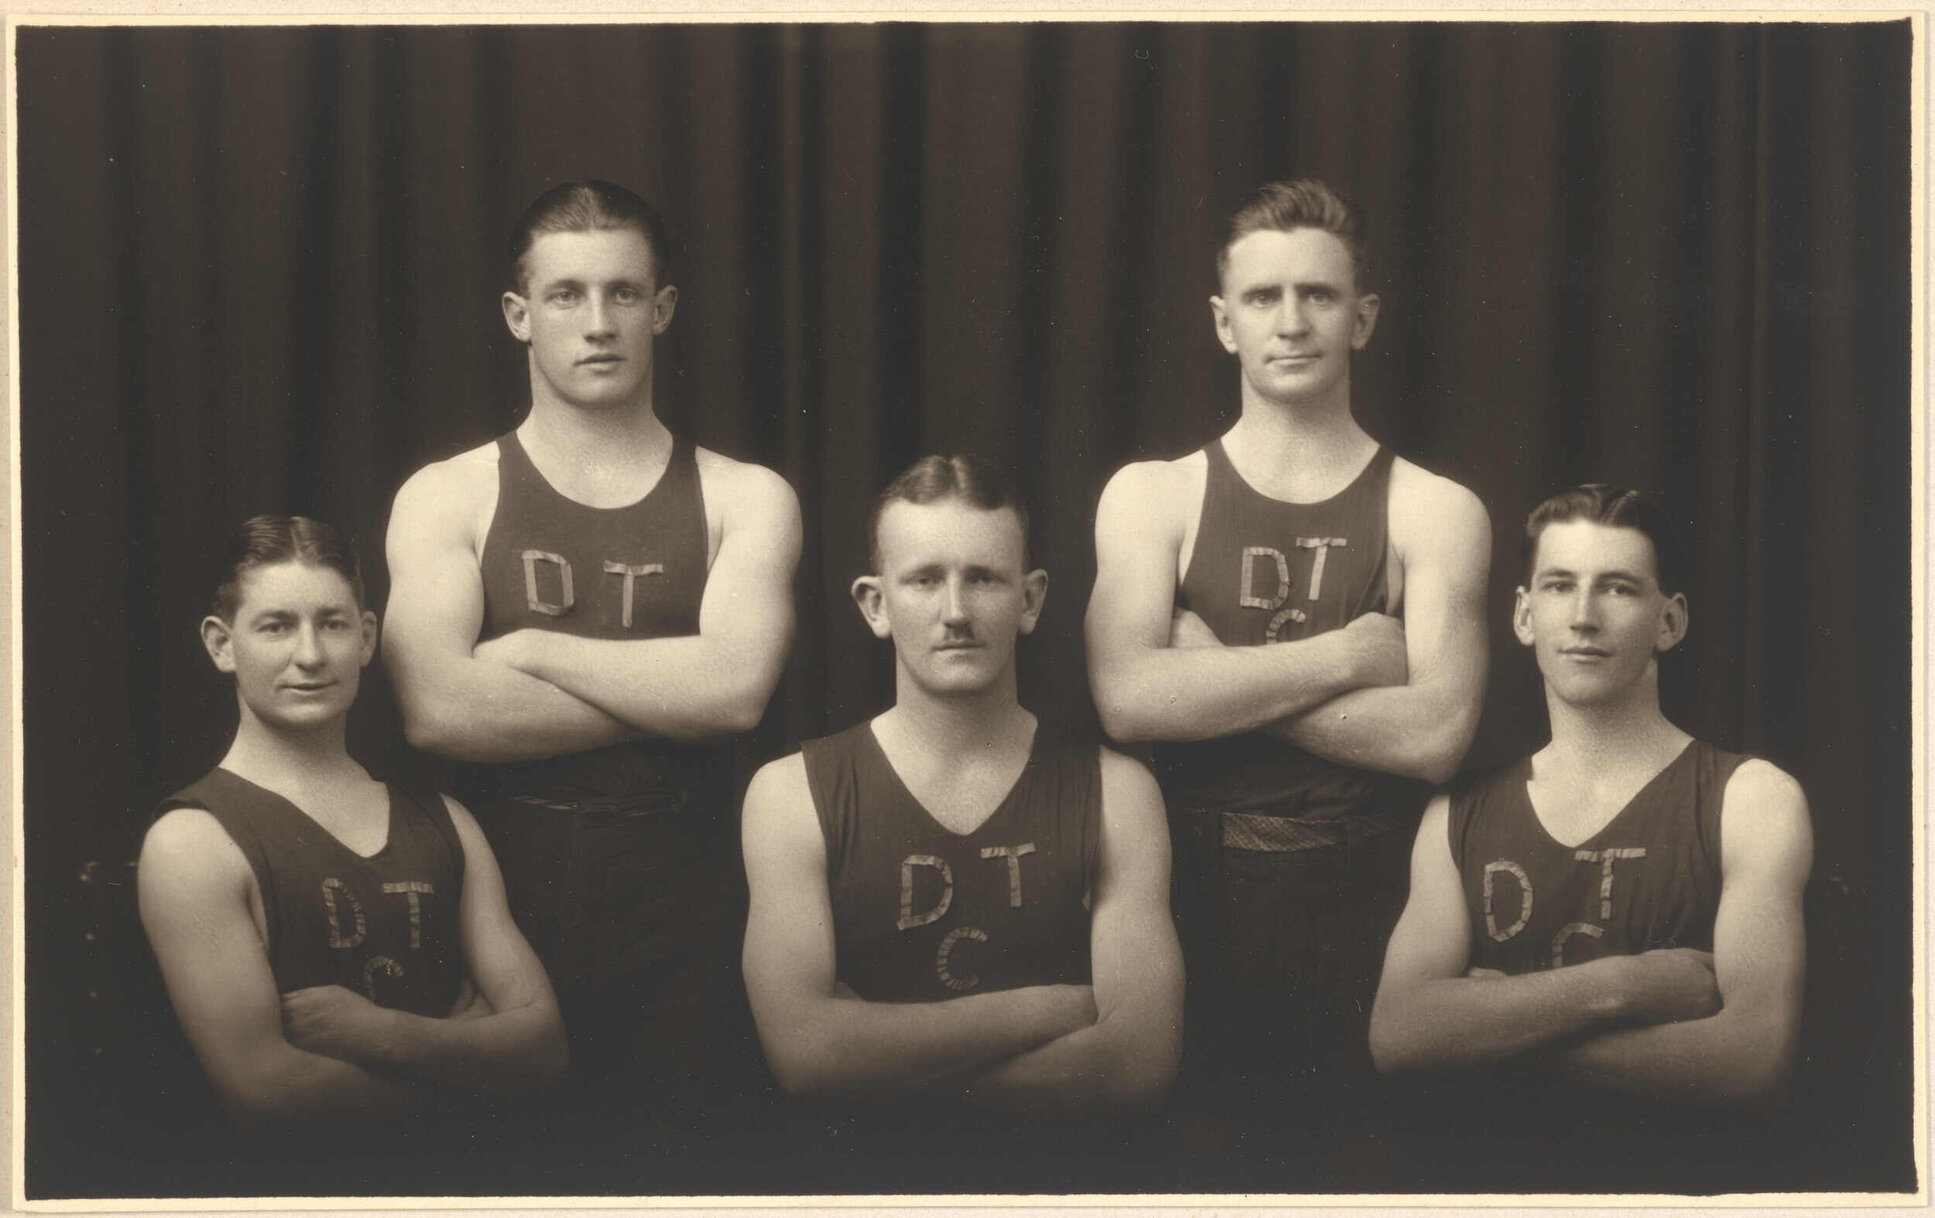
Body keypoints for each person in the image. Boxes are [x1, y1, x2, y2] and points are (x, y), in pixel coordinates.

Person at [382, 181, 800, 1127]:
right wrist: (671, 682)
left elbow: (735, 695)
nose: (597, 322)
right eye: (566, 295)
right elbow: (439, 711)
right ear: (518, 316)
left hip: (692, 898)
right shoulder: (448, 494)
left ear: (661, 311)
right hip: (496, 894)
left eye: (622, 294)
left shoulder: (746, 495)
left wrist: (530, 647)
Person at [1083, 179, 1490, 1137]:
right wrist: (1351, 654)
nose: (1291, 321)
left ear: (1364, 318)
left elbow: (1434, 735)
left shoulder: (1434, 506)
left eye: (1319, 295)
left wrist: (1206, 664)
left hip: (1373, 901)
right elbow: (1127, 701)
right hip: (1188, 896)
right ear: (1224, 324)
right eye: (1263, 298)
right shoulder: (1155, 495)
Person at [741, 456, 1183, 1189]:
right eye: (923, 579)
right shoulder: (791, 793)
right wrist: (1049, 1009)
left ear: (1030, 598)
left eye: (983, 577)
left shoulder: (1116, 790)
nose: (955, 610)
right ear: (874, 604)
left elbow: (1135, 1066)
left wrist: (875, 1056)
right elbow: (804, 1055)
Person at [1367, 484, 1812, 1189]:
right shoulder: (1458, 811)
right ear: (1522, 614)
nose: (1581, 617)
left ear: (1668, 622)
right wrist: (1621, 986)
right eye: (1558, 585)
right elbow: (1398, 1034)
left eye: (1617, 589)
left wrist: (1489, 1028)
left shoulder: (1750, 798)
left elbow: (1751, 1059)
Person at [138, 516, 567, 1139]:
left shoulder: (446, 821)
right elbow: (265, 1094)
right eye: (276, 625)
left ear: (366, 638)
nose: (310, 655)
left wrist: (385, 1034)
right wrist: (472, 1056)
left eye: (332, 623)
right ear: (221, 644)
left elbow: (545, 1050)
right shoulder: (193, 840)